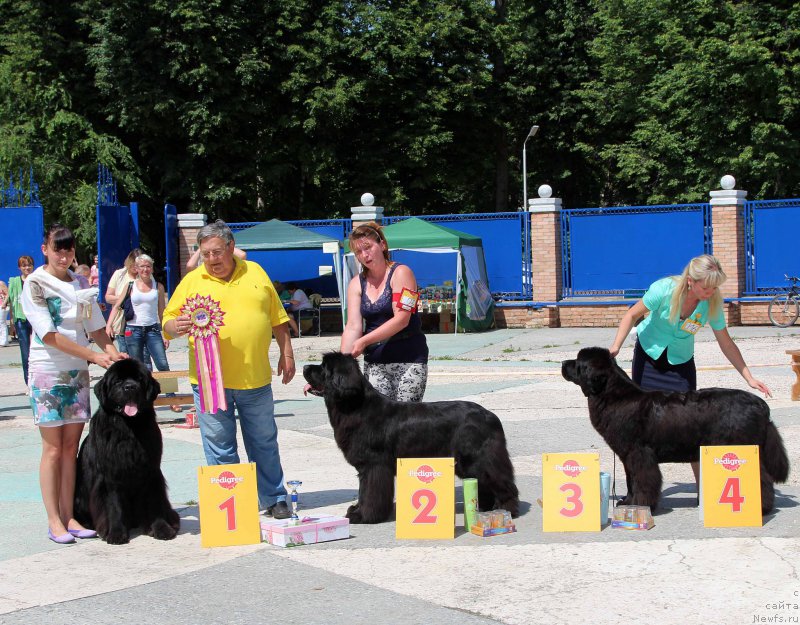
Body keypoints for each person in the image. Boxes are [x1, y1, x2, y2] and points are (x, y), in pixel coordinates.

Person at [163, 220, 295, 519]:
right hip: (210, 381)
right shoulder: (192, 281)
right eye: (206, 254)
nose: (212, 260)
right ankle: (233, 503)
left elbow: (277, 317)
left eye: (217, 253)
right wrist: (176, 325)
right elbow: (167, 323)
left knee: (264, 443)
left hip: (255, 379)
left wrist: (286, 352)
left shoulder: (257, 272)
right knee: (220, 447)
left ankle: (274, 497)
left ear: (232, 248)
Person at [609, 253, 772, 496]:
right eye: (706, 287)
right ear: (690, 281)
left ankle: (705, 492)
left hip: (680, 363)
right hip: (649, 357)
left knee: (691, 426)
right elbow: (631, 315)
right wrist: (616, 346)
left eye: (715, 287)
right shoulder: (663, 289)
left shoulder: (712, 303)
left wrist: (748, 376)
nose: (710, 292)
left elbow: (726, 342)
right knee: (641, 428)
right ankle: (639, 491)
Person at [22, 224, 126, 544]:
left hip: (77, 373)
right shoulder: (35, 284)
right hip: (48, 373)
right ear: (45, 249)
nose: (64, 255)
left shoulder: (81, 282)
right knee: (52, 449)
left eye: (68, 250)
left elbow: (95, 326)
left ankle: (70, 515)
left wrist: (111, 351)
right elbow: (49, 335)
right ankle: (54, 520)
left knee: (70, 449)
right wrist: (93, 357)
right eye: (58, 249)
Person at [340, 221, 429, 402]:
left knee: (405, 423)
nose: (364, 255)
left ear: (382, 245)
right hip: (375, 362)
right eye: (358, 252)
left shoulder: (402, 273)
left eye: (368, 247)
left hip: (409, 359)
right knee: (376, 424)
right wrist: (341, 364)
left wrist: (364, 341)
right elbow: (353, 326)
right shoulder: (356, 283)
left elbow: (402, 319)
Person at [106, 254, 182, 413]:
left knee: (162, 364)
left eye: (148, 266)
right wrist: (109, 325)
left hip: (153, 329)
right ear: (137, 269)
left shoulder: (158, 287)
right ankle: (140, 400)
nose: (145, 269)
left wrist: (165, 333)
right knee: (138, 367)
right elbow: (116, 306)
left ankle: (172, 398)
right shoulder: (130, 285)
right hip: (133, 330)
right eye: (142, 266)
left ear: (152, 268)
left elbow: (162, 311)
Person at [8, 255, 35, 384]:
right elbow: (12, 303)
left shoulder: (37, 280)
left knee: (39, 351)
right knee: (26, 352)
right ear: (19, 267)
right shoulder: (14, 282)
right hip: (21, 319)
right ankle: (28, 382)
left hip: (36, 318)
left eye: (29, 265)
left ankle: (38, 380)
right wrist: (12, 322)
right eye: (24, 265)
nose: (27, 268)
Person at [0, 280, 9, 346]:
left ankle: (4, 341)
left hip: (2, 306)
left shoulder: (1, 283)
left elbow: (8, 294)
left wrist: (4, 303)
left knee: (2, 322)